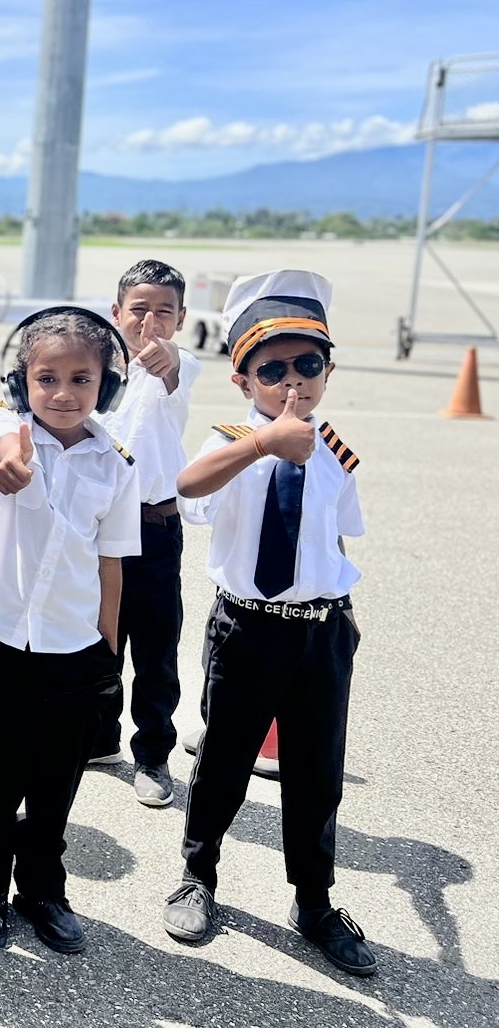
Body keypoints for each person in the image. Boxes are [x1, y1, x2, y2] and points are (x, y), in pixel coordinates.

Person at [161, 270, 377, 977]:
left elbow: (331, 540)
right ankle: (199, 876)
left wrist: (331, 619)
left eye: (308, 365)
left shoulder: (336, 453)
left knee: (318, 774)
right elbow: (186, 490)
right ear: (242, 378)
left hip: (320, 631)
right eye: (273, 368)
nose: (293, 381)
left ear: (329, 370)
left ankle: (313, 901)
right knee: (225, 759)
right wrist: (262, 444)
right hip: (249, 629)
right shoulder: (228, 443)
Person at [0, 307, 140, 956]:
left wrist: (107, 660)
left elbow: (111, 564)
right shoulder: (4, 428)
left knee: (53, 785)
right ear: (20, 384)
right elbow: (0, 442)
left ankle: (42, 890)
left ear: (107, 387)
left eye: (81, 380)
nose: (63, 393)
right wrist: (13, 457)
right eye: (47, 378)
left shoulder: (116, 464)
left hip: (71, 650)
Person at [91, 261, 200, 806]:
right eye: (138, 309)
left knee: (156, 648)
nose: (150, 322)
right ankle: (98, 737)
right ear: (116, 314)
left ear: (181, 318)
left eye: (164, 311)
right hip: (95, 529)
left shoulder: (181, 363)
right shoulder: (94, 370)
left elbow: (175, 369)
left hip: (154, 528)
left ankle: (153, 755)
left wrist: (170, 359)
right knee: (98, 635)